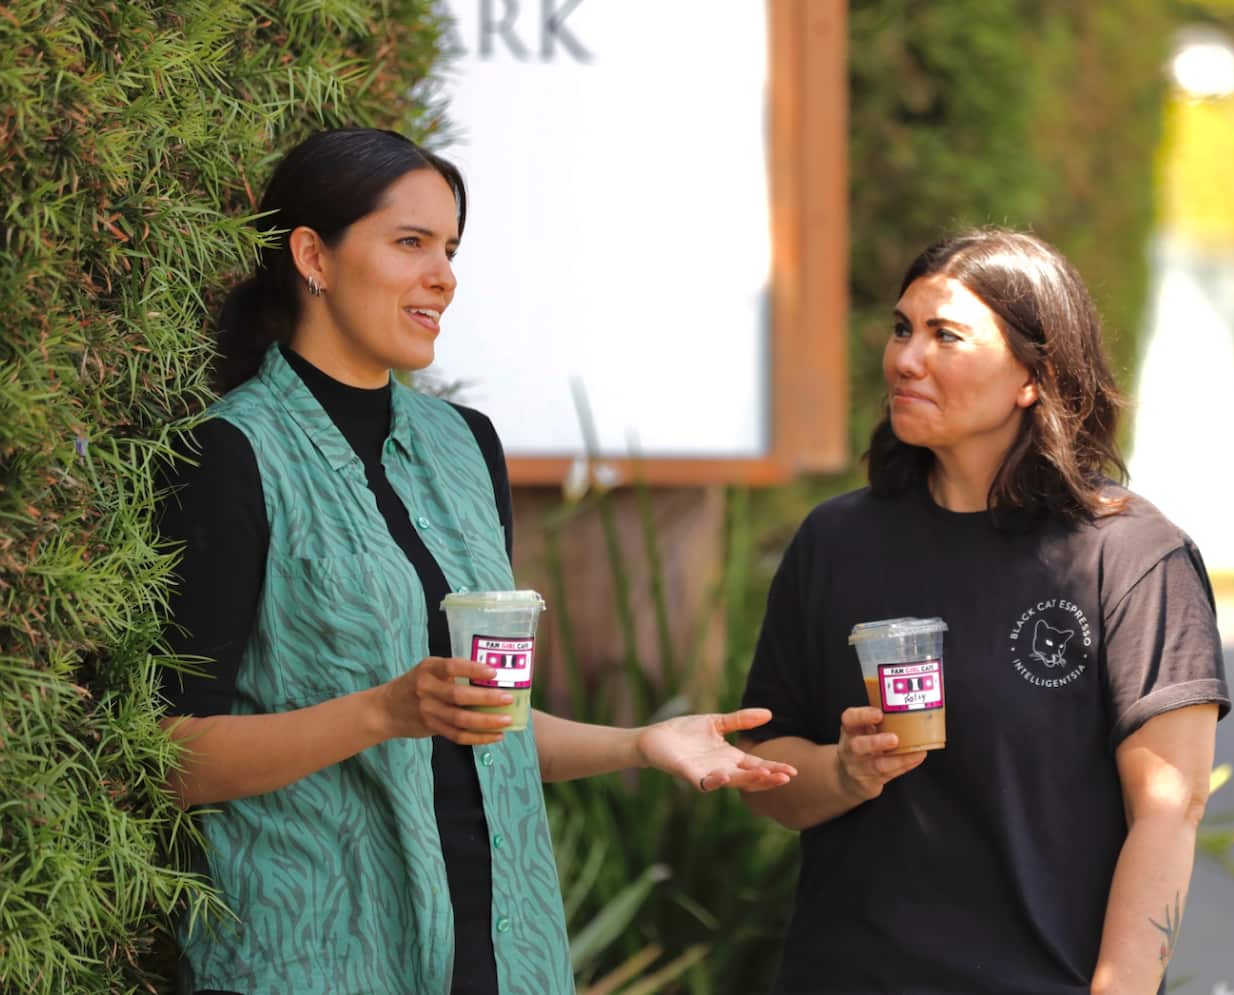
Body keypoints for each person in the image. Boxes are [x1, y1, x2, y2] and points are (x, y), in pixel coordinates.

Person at [157, 127, 795, 995]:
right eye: (410, 242)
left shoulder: (466, 447)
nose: (444, 275)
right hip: (311, 960)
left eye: (451, 248)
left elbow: (492, 725)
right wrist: (382, 711)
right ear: (314, 255)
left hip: (500, 957)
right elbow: (174, 758)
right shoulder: (230, 455)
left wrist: (642, 743)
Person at [738, 229, 1230, 995]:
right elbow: (763, 771)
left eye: (946, 336)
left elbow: (1169, 810)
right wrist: (842, 771)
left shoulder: (1131, 557)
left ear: (1033, 376)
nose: (905, 358)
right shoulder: (836, 541)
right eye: (903, 328)